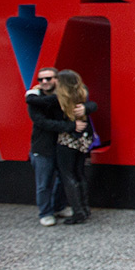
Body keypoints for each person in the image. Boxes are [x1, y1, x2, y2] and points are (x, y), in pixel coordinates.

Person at [25, 67, 89, 227]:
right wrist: (70, 126)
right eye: (41, 80)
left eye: (49, 78)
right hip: (43, 147)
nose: (45, 82)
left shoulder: (62, 97)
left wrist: (87, 108)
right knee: (44, 182)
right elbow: (41, 122)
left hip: (62, 146)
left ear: (57, 80)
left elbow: (88, 101)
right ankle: (45, 213)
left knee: (63, 179)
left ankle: (59, 207)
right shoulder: (37, 98)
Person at [53, 69, 96, 225]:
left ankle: (78, 211)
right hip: (84, 139)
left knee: (68, 175)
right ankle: (85, 208)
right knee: (79, 173)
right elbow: (93, 105)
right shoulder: (82, 94)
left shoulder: (59, 99)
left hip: (67, 140)